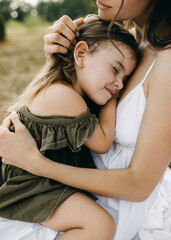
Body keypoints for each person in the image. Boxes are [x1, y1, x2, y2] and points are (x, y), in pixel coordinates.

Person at [0, 0, 171, 239]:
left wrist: (37, 164)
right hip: (61, 191)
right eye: (115, 72)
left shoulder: (165, 62)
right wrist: (60, 63)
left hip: (104, 208)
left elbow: (139, 184)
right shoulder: (121, 43)